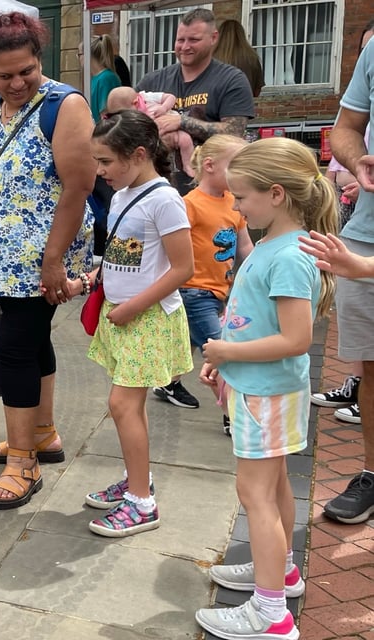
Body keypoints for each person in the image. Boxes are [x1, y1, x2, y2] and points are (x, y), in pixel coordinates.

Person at [195, 137, 336, 640]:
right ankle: (280, 571)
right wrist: (227, 361)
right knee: (272, 486)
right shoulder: (280, 246)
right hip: (259, 386)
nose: (236, 205)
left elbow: (296, 339)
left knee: (254, 491)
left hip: (267, 392)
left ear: (277, 194)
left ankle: (270, 612)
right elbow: (255, 321)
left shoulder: (288, 255)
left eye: (243, 196)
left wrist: (226, 354)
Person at [0, 12, 95, 510]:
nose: (18, 83)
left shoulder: (64, 105)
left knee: (15, 350)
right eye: (6, 75)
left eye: (27, 71)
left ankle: (23, 462)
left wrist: (54, 260)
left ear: (40, 61)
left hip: (39, 259)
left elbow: (78, 186)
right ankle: (41, 433)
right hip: (4, 259)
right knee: (31, 341)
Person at [66, 109, 193, 536]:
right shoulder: (121, 195)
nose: (99, 171)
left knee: (122, 406)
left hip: (147, 318)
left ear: (139, 154)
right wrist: (86, 281)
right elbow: (122, 257)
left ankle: (142, 502)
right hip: (122, 315)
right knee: (127, 408)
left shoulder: (165, 199)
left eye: (105, 161)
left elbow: (182, 268)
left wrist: (133, 306)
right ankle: (138, 480)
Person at [148, 134, 251, 424]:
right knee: (221, 352)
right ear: (209, 165)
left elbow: (245, 246)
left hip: (220, 290)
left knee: (190, 341)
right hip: (193, 290)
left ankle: (168, 382)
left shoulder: (234, 202)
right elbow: (171, 247)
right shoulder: (189, 204)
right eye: (236, 165)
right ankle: (233, 418)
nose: (242, 173)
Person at [319, 15, 374, 525]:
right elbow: (347, 129)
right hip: (366, 234)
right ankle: (372, 474)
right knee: (371, 365)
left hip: (363, 254)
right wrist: (357, 161)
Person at [136, 8, 256, 193]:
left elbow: (234, 133)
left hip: (210, 192)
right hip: (157, 191)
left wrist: (181, 122)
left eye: (194, 40)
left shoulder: (232, 80)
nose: (185, 47)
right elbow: (127, 128)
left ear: (213, 38)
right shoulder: (153, 81)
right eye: (180, 40)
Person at [105, 87, 196, 178]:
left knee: (185, 140)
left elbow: (171, 97)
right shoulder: (130, 115)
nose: (123, 118)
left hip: (173, 127)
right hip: (155, 137)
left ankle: (188, 165)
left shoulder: (148, 97)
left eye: (124, 114)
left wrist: (164, 107)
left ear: (135, 103)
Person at [215, 19, 264, 99]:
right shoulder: (252, 57)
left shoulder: (212, 58)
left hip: (218, 107)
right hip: (244, 106)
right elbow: (257, 90)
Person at [85, 36, 121, 123]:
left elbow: (105, 115)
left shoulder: (106, 78)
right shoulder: (95, 78)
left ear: (88, 55)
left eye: (79, 54)